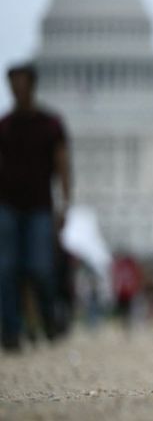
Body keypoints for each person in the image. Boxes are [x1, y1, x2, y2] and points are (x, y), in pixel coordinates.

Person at [0, 63, 72, 352]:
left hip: (40, 205)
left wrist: (65, 203)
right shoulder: (4, 126)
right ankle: (12, 330)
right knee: (6, 269)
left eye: (21, 83)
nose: (17, 89)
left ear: (32, 85)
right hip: (7, 205)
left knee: (40, 267)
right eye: (13, 84)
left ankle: (48, 316)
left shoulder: (50, 125)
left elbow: (63, 164)